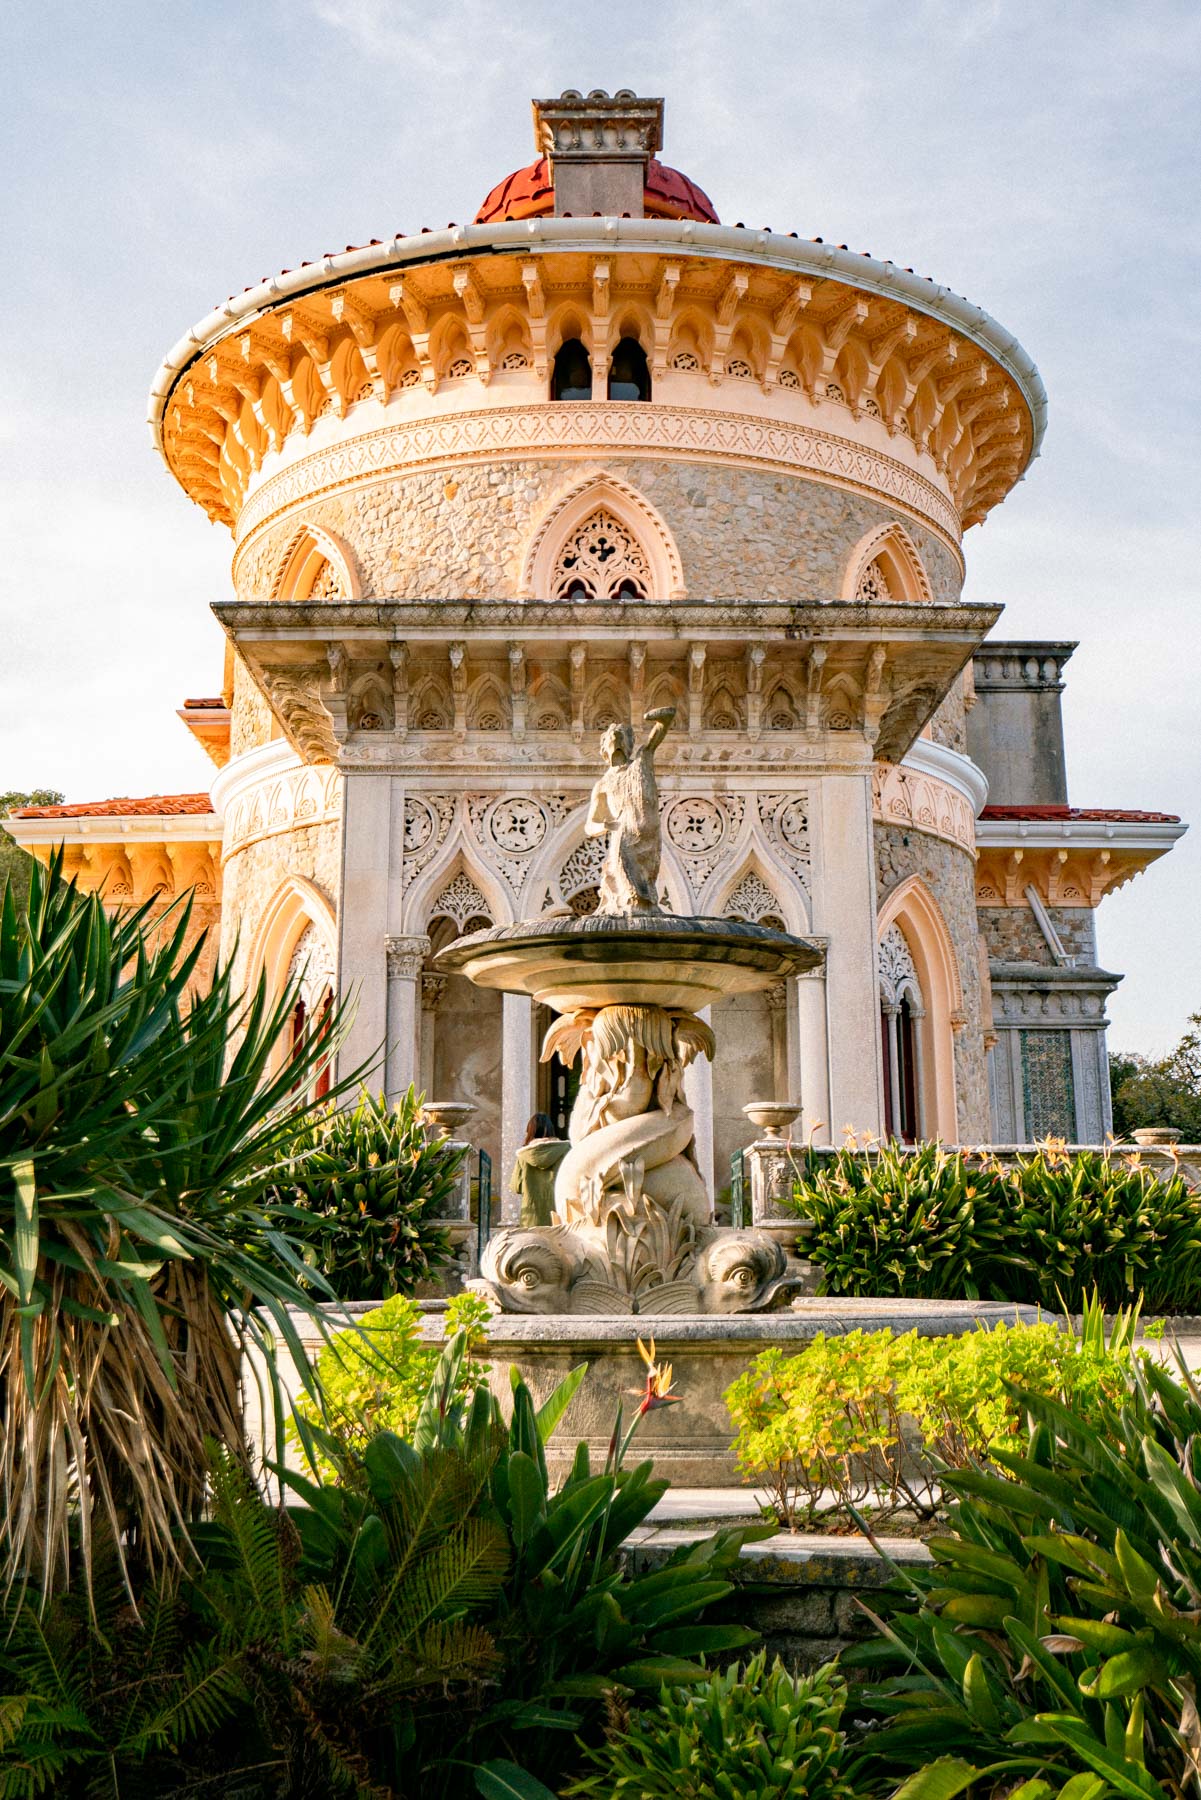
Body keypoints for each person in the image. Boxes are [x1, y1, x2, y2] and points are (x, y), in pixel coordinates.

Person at [508, 1112, 570, 1227]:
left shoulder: (523, 1155)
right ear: (551, 1129)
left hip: (531, 1218)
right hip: (559, 1215)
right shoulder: (566, 1150)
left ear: (530, 1131)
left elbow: (516, 1186)